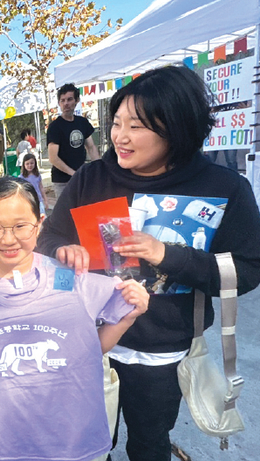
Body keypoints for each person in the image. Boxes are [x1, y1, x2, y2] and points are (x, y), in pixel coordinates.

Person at [37, 66, 260, 461]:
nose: (120, 137)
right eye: (117, 122)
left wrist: (167, 255)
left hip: (163, 353)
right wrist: (62, 253)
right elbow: (49, 238)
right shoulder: (91, 178)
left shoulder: (222, 188)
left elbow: (246, 269)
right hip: (91, 341)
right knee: (88, 442)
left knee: (149, 442)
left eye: (136, 126)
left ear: (177, 127)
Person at [0, 177, 149, 461]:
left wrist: (127, 317)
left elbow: (85, 348)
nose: (9, 238)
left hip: (70, 432)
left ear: (39, 224)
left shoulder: (64, 278)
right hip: (10, 434)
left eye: (20, 226)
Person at [48, 83, 100, 199]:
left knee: (85, 211)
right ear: (59, 103)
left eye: (69, 99)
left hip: (82, 178)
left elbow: (91, 147)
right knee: (66, 215)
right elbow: (53, 158)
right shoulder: (55, 127)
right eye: (62, 100)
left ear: (76, 101)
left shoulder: (82, 122)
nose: (66, 103)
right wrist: (74, 173)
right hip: (62, 181)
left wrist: (99, 167)